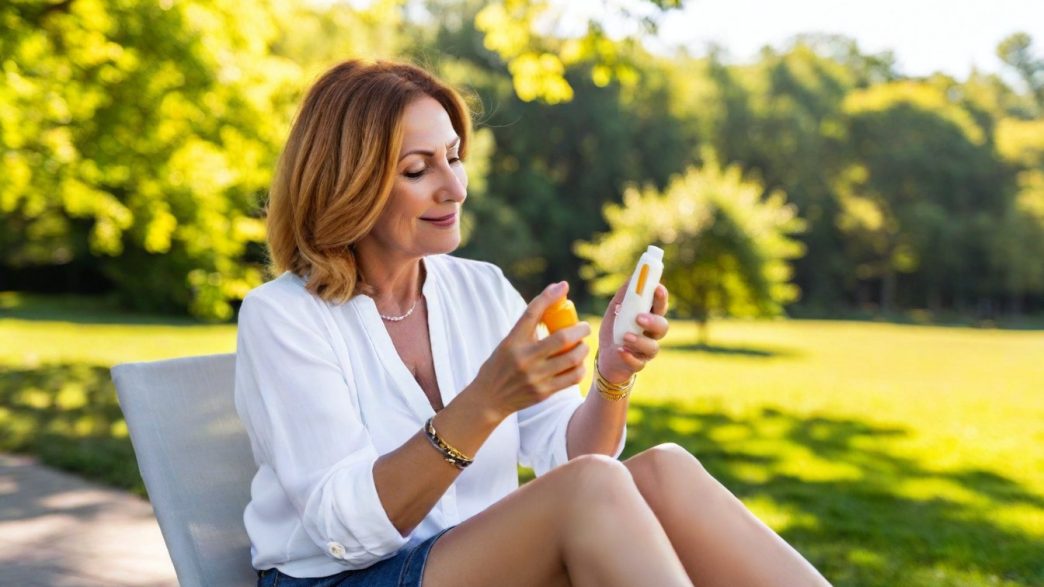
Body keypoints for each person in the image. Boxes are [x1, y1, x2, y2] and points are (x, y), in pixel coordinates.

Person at [234, 59, 831, 587]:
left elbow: (571, 457)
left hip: (472, 564)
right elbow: (346, 530)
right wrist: (486, 402)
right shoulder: (284, 317)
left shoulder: (481, 288)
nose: (455, 187)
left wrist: (611, 375)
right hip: (346, 578)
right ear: (347, 184)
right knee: (590, 491)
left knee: (663, 468)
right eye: (418, 170)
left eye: (454, 157)